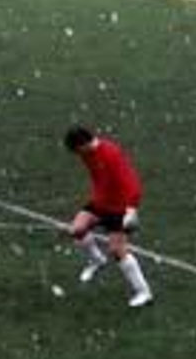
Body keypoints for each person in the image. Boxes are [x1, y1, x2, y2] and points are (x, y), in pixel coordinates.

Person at [63, 125, 154, 308]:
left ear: (82, 144)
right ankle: (97, 260)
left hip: (119, 208)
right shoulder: (86, 153)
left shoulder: (111, 154)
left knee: (117, 250)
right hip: (100, 203)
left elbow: (132, 183)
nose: (76, 155)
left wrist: (131, 210)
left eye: (76, 150)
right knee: (77, 229)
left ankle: (144, 292)